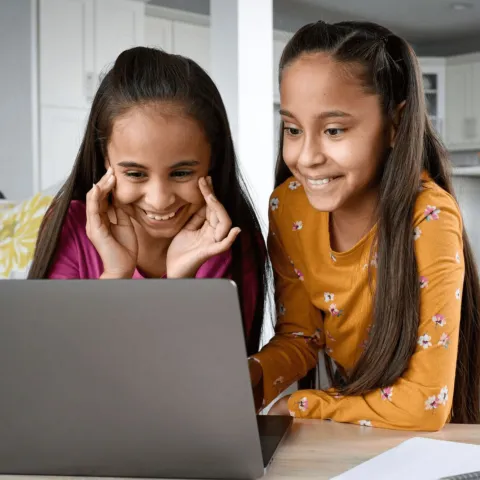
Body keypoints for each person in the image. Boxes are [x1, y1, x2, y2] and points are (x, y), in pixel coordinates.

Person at [249, 20, 480, 430]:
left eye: (334, 130)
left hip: (452, 434)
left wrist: (304, 405)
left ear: (394, 124)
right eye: (293, 129)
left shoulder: (428, 218)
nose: (306, 156)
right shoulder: (288, 207)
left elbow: (426, 404)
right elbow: (300, 338)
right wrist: (250, 379)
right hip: (363, 430)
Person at [29, 46, 268, 356]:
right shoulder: (71, 228)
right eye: (136, 174)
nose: (159, 200)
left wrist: (179, 284)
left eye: (181, 173)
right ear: (106, 161)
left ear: (213, 159)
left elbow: (210, 382)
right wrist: (116, 276)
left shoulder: (231, 243)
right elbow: (50, 364)